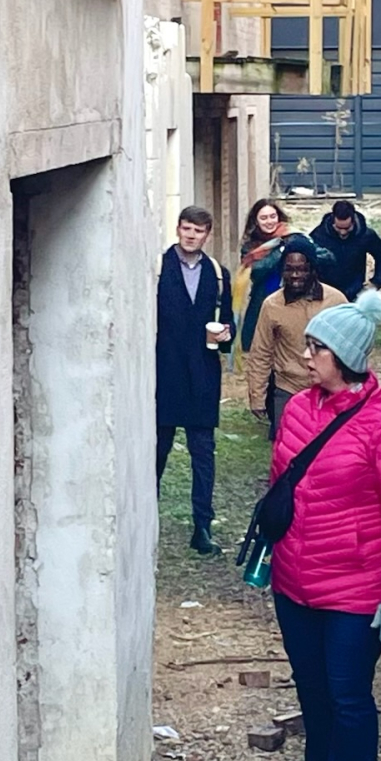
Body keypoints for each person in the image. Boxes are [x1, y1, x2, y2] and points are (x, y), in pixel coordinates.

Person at [268, 290, 381, 761]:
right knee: (311, 685)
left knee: (348, 693)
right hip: (294, 580)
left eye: (317, 349)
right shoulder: (296, 409)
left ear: (346, 358)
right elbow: (279, 489)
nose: (306, 357)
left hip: (357, 590)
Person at [156, 206, 234, 554]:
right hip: (164, 375)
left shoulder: (219, 275)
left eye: (198, 230)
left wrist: (225, 337)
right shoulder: (157, 269)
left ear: (207, 234)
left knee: (203, 455)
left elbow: (228, 328)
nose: (190, 235)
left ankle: (202, 526)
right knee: (155, 452)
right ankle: (146, 521)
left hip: (202, 375)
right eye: (186, 228)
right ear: (177, 229)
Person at [245, 237, 346, 437]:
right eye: (289, 269)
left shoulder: (336, 301)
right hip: (288, 390)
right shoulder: (272, 305)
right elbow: (261, 353)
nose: (295, 275)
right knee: (287, 454)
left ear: (313, 269)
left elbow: (352, 348)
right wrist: (257, 396)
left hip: (329, 391)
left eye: (301, 269)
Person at [235, 198, 291, 354]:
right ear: (256, 221)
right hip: (262, 302)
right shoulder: (250, 248)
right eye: (264, 218)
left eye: (272, 216)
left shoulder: (292, 238)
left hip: (290, 302)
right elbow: (256, 271)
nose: (269, 221)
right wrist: (279, 252)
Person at [311, 199, 381, 301]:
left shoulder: (365, 235)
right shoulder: (319, 235)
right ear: (333, 220)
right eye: (338, 228)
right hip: (326, 293)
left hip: (355, 293)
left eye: (347, 228)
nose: (342, 232)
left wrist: (376, 283)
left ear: (353, 221)